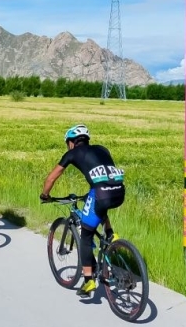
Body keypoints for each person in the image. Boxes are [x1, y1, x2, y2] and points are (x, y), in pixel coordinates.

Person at [40, 124, 125, 297]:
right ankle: (110, 234)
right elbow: (105, 177)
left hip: (101, 194)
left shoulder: (72, 153)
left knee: (86, 237)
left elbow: (51, 178)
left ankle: (88, 281)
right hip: (119, 191)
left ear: (71, 142)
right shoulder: (102, 149)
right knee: (97, 202)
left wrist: (45, 195)